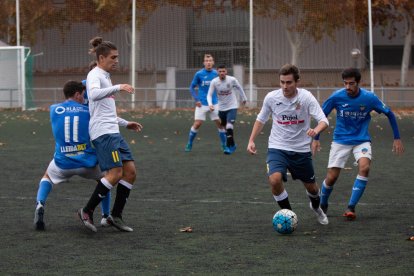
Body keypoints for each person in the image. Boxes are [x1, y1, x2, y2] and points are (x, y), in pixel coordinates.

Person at [312, 68, 404, 220]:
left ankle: (351, 207)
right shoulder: (337, 96)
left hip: (361, 140)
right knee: (332, 177)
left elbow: (390, 113)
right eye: (345, 83)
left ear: (358, 83)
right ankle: (323, 203)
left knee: (365, 167)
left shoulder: (369, 98)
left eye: (351, 83)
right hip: (340, 140)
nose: (348, 87)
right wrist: (316, 138)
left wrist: (397, 137)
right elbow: (322, 117)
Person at [247, 64, 329, 225]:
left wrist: (316, 130)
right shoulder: (271, 98)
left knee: (312, 189)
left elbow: (323, 120)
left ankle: (317, 208)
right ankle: (289, 215)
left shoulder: (306, 97)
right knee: (275, 180)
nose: (285, 86)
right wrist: (251, 140)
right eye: (282, 82)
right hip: (278, 147)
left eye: (289, 82)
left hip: (301, 150)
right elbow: (261, 119)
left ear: (297, 82)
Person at [78, 37, 143, 233]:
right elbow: (95, 94)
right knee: (115, 173)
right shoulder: (94, 75)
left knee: (130, 172)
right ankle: (87, 211)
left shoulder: (105, 75)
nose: (116, 60)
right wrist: (119, 87)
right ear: (101, 58)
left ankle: (115, 216)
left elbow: (105, 110)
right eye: (113, 57)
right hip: (103, 133)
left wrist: (125, 123)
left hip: (113, 131)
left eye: (117, 57)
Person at [33, 80, 110, 230]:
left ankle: (40, 204)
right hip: (86, 163)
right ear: (77, 94)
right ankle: (106, 216)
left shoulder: (54, 109)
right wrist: (91, 80)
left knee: (47, 177)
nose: (83, 97)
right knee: (107, 179)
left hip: (63, 162)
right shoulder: (88, 111)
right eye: (82, 94)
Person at [185, 54, 226, 152]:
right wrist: (196, 99)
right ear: (204, 63)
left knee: (220, 124)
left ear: (213, 62)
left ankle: (224, 145)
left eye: (210, 60)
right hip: (202, 103)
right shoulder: (199, 74)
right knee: (197, 124)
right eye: (206, 61)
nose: (208, 62)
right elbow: (191, 87)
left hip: (214, 103)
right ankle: (189, 143)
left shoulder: (217, 73)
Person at [207, 65, 247, 154]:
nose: (222, 73)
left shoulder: (232, 80)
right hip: (221, 108)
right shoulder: (214, 82)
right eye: (220, 71)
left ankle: (228, 148)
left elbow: (239, 88)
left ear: (226, 72)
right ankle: (233, 144)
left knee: (229, 126)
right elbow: (209, 94)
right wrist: (210, 104)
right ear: (217, 72)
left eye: (223, 71)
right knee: (224, 128)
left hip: (232, 106)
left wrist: (244, 98)